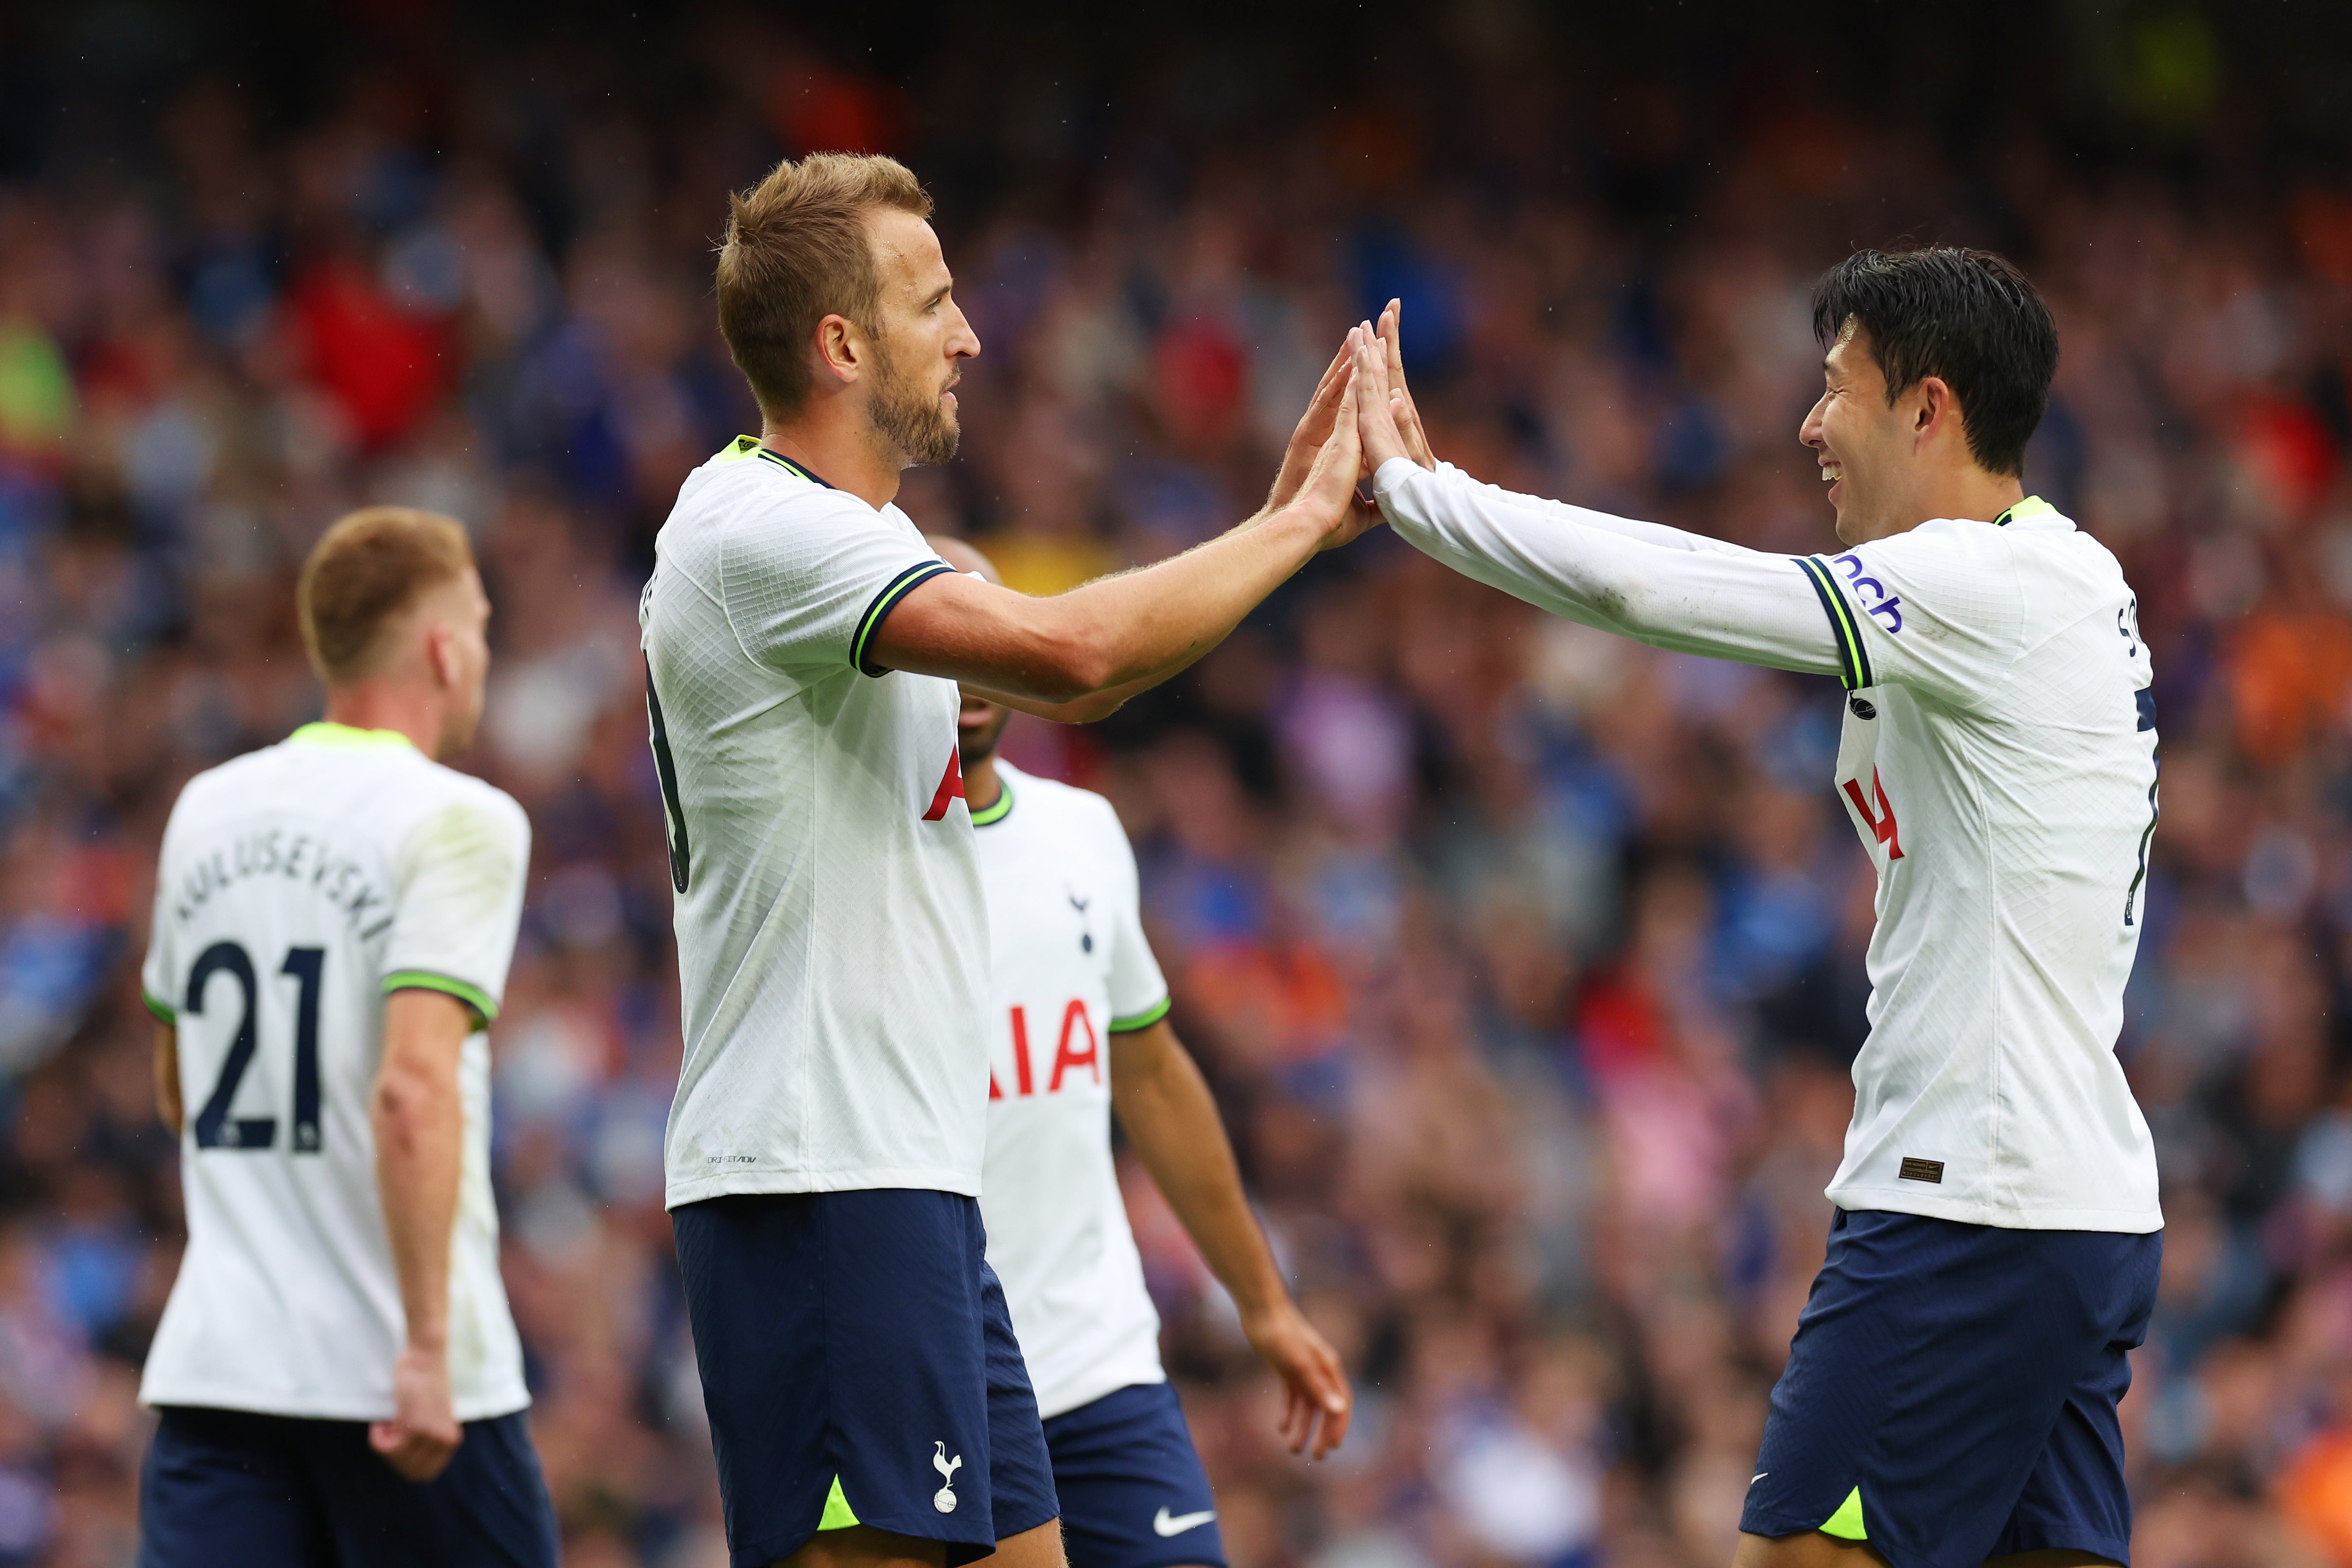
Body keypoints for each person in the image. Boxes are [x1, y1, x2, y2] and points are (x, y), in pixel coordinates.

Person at [1349, 250, 2160, 1568]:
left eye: (1831, 386)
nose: (1803, 424)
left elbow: (1654, 591)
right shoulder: (2062, 579)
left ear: (1923, 409)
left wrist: (1413, 495)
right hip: (2064, 1210)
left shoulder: (1985, 587)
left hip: (1966, 1200)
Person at [639, 152, 1372, 1568]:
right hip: (814, 1179)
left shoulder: (865, 538)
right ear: (841, 346)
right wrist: (1293, 524)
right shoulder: (756, 530)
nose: (968, 334)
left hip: (911, 1187)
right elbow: (1077, 655)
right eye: (933, 303)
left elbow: (1070, 688)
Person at [136, 507, 556, 1567]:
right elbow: (412, 1090)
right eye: (482, 625)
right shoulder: (457, 818)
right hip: (398, 1380)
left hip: (221, 1373)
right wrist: (422, 1348)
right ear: (442, 646)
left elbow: (180, 1087)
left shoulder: (206, 809)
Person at [927, 534, 1352, 1568]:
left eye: (991, 627)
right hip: (946, 1377)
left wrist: (1262, 1302)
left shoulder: (1083, 832)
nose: (969, 671)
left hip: (1101, 1363)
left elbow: (1153, 1076)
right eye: (941, 637)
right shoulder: (866, 859)